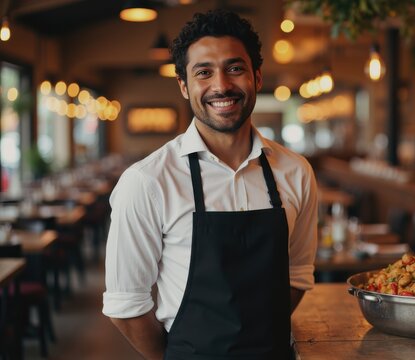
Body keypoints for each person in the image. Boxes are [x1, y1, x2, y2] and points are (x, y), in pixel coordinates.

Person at [103, 9, 318, 360]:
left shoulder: (296, 172)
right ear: (184, 86)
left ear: (257, 77)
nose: (221, 85)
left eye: (235, 68)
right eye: (204, 72)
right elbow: (125, 306)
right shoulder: (147, 181)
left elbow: (296, 275)